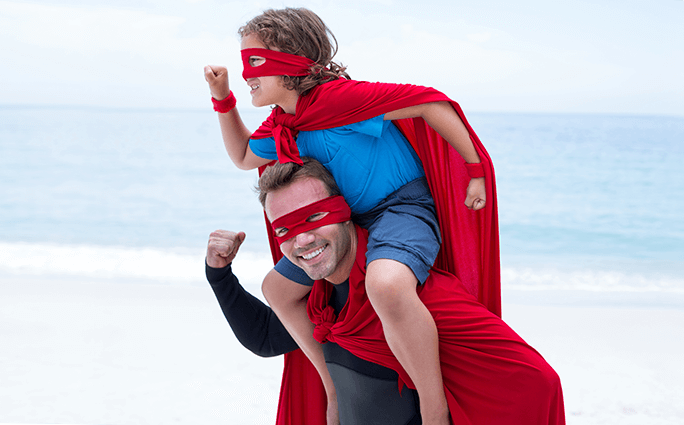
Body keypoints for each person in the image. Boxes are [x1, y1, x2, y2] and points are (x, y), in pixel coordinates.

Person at [203, 7, 498, 425]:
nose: (246, 71)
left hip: (401, 207)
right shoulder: (284, 125)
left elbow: (430, 103)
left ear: (291, 61)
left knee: (387, 283)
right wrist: (222, 98)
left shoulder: (343, 100)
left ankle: (435, 408)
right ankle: (332, 387)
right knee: (278, 289)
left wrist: (475, 171)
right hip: (349, 223)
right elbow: (243, 155)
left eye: (254, 61)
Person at [205, 158, 565, 425]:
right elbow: (266, 338)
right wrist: (219, 276)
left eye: (314, 217)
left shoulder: (408, 296)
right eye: (284, 229)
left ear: (345, 212)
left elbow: (537, 383)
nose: (302, 239)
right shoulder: (313, 298)